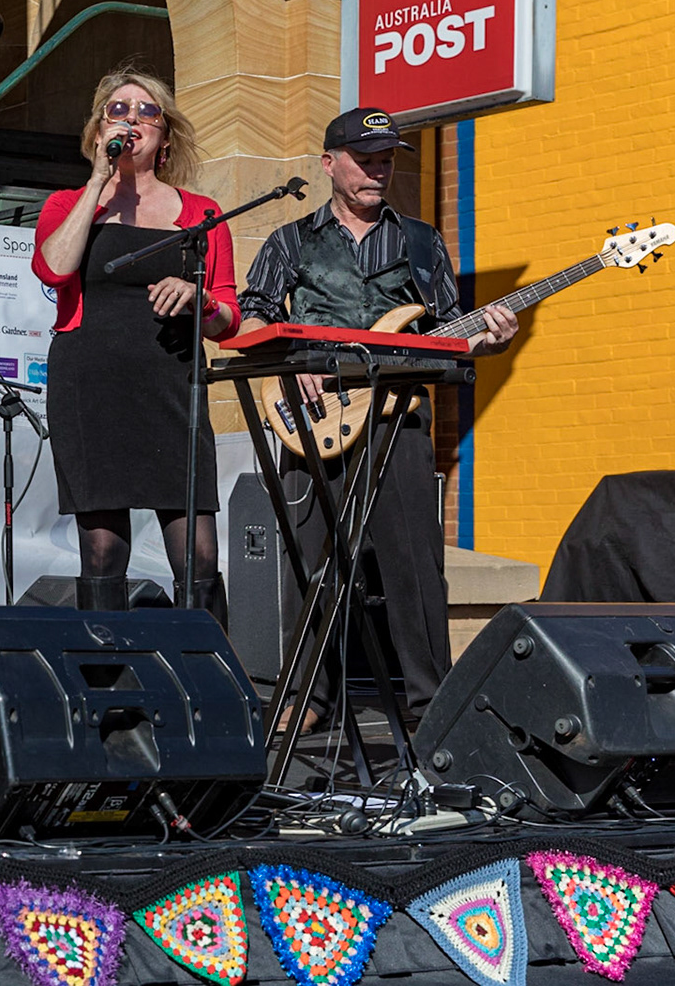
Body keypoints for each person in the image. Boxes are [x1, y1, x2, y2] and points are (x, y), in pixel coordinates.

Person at [239, 106, 516, 721]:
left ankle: (433, 704)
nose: (377, 171)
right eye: (365, 160)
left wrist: (488, 338)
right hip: (312, 417)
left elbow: (446, 331)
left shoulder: (421, 240)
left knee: (415, 562)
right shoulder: (291, 241)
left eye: (386, 160)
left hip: (399, 415)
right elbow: (251, 315)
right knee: (311, 562)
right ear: (329, 164)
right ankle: (309, 699)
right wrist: (288, 361)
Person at [32, 69, 241, 618]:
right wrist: (97, 185)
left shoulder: (202, 214)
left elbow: (229, 318)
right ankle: (104, 689)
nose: (131, 119)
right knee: (102, 552)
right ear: (98, 132)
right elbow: (53, 270)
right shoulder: (67, 204)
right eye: (117, 110)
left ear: (166, 135)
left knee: (197, 552)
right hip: (90, 385)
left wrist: (199, 300)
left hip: (172, 385)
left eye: (145, 111)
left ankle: (207, 688)